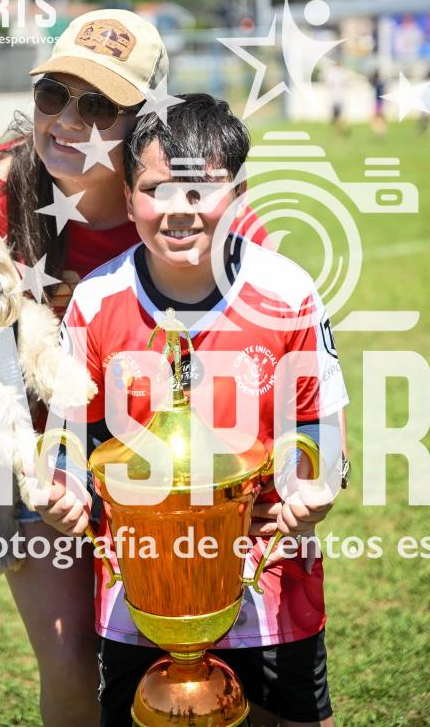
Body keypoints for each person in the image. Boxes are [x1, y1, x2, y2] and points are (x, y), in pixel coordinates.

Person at [0, 13, 267, 726]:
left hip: (160, 463)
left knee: (210, 657)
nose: (69, 120)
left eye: (101, 105)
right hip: (32, 463)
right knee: (73, 664)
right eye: (53, 94)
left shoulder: (187, 203)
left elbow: (266, 325)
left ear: (148, 119)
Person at [38, 94, 348, 727]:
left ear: (237, 195)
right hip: (139, 592)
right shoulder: (96, 301)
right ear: (129, 201)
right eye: (156, 189)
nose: (179, 208)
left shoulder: (287, 292)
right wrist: (62, 488)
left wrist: (312, 490)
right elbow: (66, 438)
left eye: (201, 189)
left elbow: (320, 427)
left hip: (271, 577)